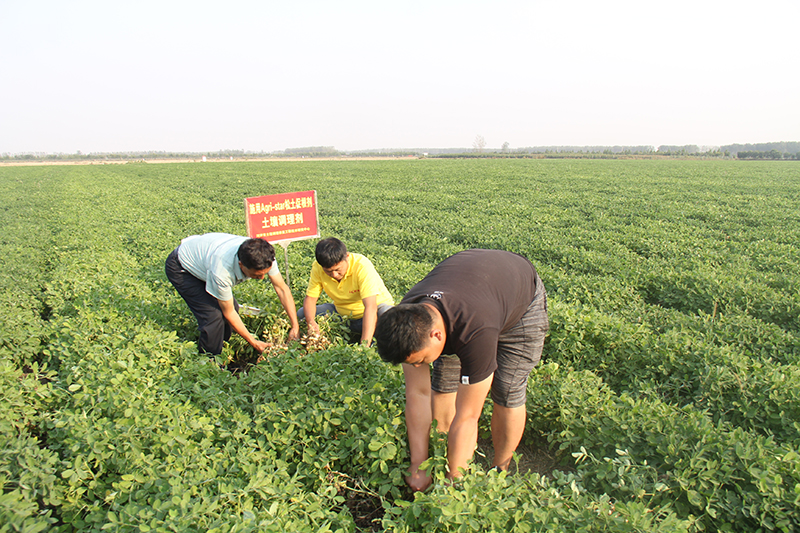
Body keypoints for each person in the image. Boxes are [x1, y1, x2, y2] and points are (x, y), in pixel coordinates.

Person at [374, 249, 549, 491]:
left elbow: (468, 416)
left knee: (506, 390)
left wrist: (454, 484)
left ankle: (500, 470)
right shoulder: (408, 321)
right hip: (472, 288)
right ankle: (442, 452)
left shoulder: (474, 331)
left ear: (437, 335)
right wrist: (419, 465)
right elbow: (418, 395)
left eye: (420, 360)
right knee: (443, 384)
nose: (417, 366)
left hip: (519, 300)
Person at [165, 233, 300, 356]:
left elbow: (282, 289)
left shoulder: (264, 256)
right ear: (241, 265)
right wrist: (254, 342)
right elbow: (228, 312)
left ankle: (223, 346)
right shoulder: (222, 270)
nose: (262, 278)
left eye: (265, 273)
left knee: (233, 309)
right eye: (256, 275)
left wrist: (295, 325)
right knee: (213, 317)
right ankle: (210, 360)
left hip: (204, 260)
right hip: (182, 268)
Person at [299, 237, 393, 346]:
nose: (334, 275)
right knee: (302, 314)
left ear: (347, 257)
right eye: (328, 271)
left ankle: (372, 336)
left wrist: (364, 346)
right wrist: (311, 323)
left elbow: (370, 307)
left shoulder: (361, 266)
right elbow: (310, 299)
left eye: (338, 270)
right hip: (343, 315)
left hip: (374, 313)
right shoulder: (318, 267)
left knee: (391, 319)